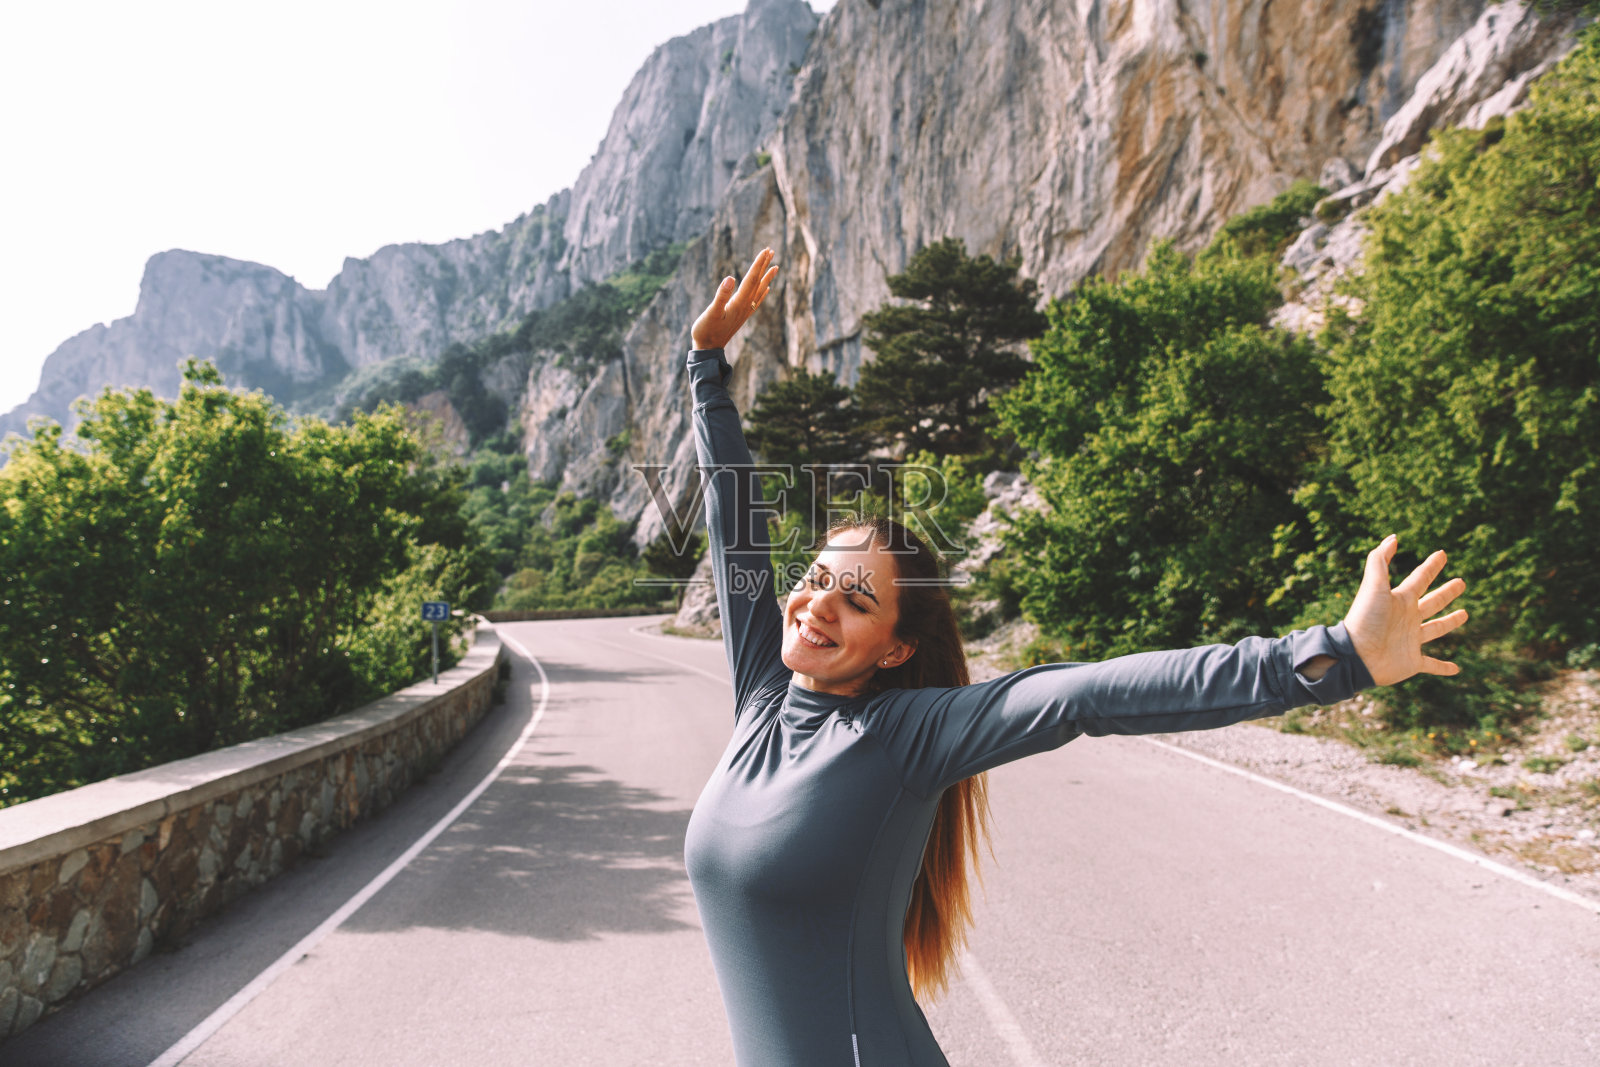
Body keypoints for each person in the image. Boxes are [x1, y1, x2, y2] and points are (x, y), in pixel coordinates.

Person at [679, 248, 1468, 1067]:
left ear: (897, 647)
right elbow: (734, 515)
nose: (817, 605)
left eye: (857, 599)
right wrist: (707, 368)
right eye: (815, 579)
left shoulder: (902, 735)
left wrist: (1336, 655)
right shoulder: (762, 699)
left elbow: (1086, 693)